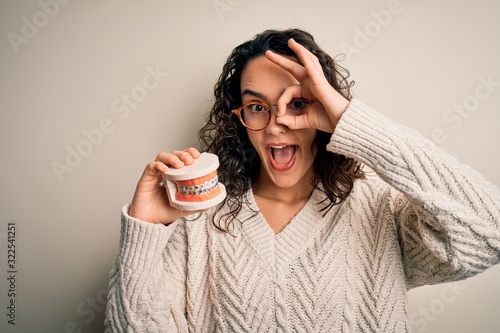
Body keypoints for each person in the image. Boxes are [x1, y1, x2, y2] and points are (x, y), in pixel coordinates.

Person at [105, 29, 500, 332]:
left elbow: (489, 232)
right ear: (238, 119)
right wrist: (146, 228)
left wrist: (349, 120)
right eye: (257, 106)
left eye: (297, 103)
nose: (278, 122)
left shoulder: (381, 209)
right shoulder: (199, 222)